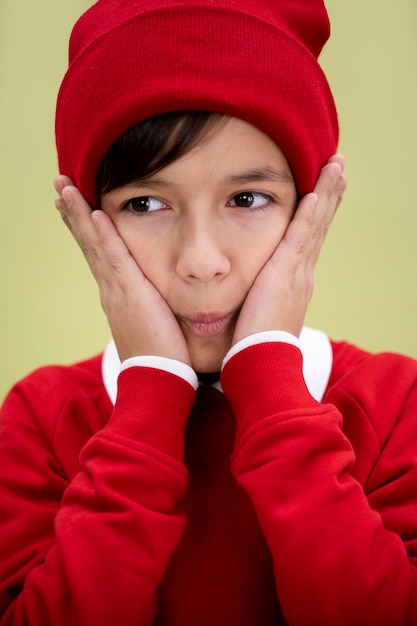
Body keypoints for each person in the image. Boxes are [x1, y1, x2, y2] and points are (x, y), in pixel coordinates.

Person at [0, 0, 416, 624]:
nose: (201, 261)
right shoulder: (42, 417)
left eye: (248, 198)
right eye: (145, 204)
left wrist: (272, 388)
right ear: (91, 225)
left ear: (311, 210)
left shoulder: (395, 405)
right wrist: (151, 403)